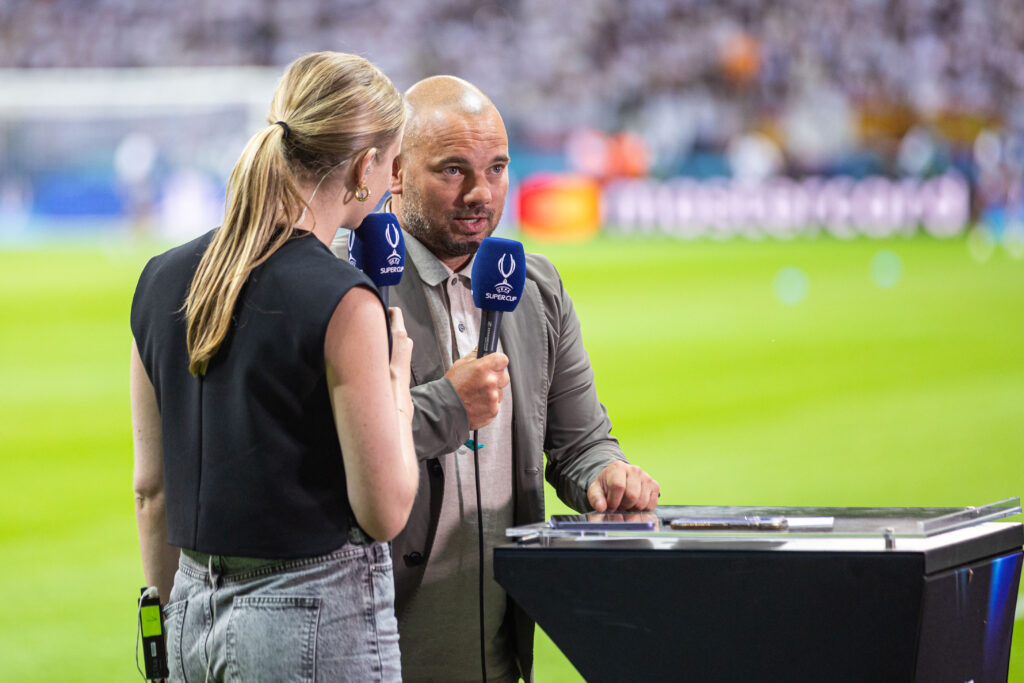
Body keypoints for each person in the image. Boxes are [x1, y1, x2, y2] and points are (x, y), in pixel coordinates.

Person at [334, 76, 661, 683]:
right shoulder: (344, 284)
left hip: (500, 654)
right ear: (396, 173)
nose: (481, 193)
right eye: (453, 170)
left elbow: (580, 442)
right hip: (375, 649)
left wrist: (604, 476)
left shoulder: (536, 288)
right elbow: (322, 457)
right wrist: (444, 407)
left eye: (497, 168)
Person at [130, 52, 418, 682]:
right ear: (366, 166)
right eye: (392, 165)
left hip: (185, 617)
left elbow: (151, 491)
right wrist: (397, 377)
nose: (392, 184)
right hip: (312, 621)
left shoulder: (159, 279)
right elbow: (384, 510)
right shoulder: (345, 298)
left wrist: (166, 623)